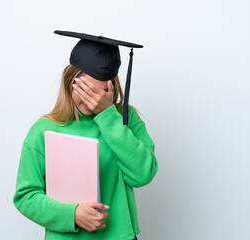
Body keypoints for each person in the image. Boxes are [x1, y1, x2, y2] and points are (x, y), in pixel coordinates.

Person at [13, 30, 158, 240]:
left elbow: (143, 174)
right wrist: (72, 214)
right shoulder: (43, 129)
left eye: (101, 92)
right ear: (69, 82)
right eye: (86, 90)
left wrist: (107, 115)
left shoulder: (125, 119)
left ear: (112, 86)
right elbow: (26, 197)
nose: (92, 100)